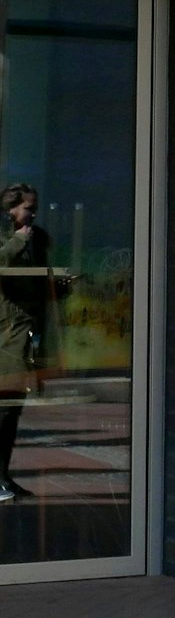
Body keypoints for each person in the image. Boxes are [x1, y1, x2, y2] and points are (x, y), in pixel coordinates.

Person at [0, 182, 51, 502]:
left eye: (34, 208)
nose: (33, 214)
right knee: (4, 406)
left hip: (28, 329)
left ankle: (3, 475)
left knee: (13, 408)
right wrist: (18, 242)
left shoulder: (37, 238)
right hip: (7, 331)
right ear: (11, 209)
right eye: (28, 208)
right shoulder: (11, 239)